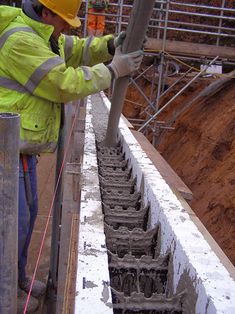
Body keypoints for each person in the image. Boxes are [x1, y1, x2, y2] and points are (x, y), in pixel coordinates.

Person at [0, 0, 143, 312]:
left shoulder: (43, 35)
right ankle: (4, 290)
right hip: (3, 148)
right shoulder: (21, 42)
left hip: (20, 148)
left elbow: (76, 49)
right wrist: (112, 70)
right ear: (46, 12)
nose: (67, 27)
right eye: (64, 20)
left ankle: (18, 277)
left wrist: (109, 45)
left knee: (28, 216)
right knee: (12, 224)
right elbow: (63, 84)